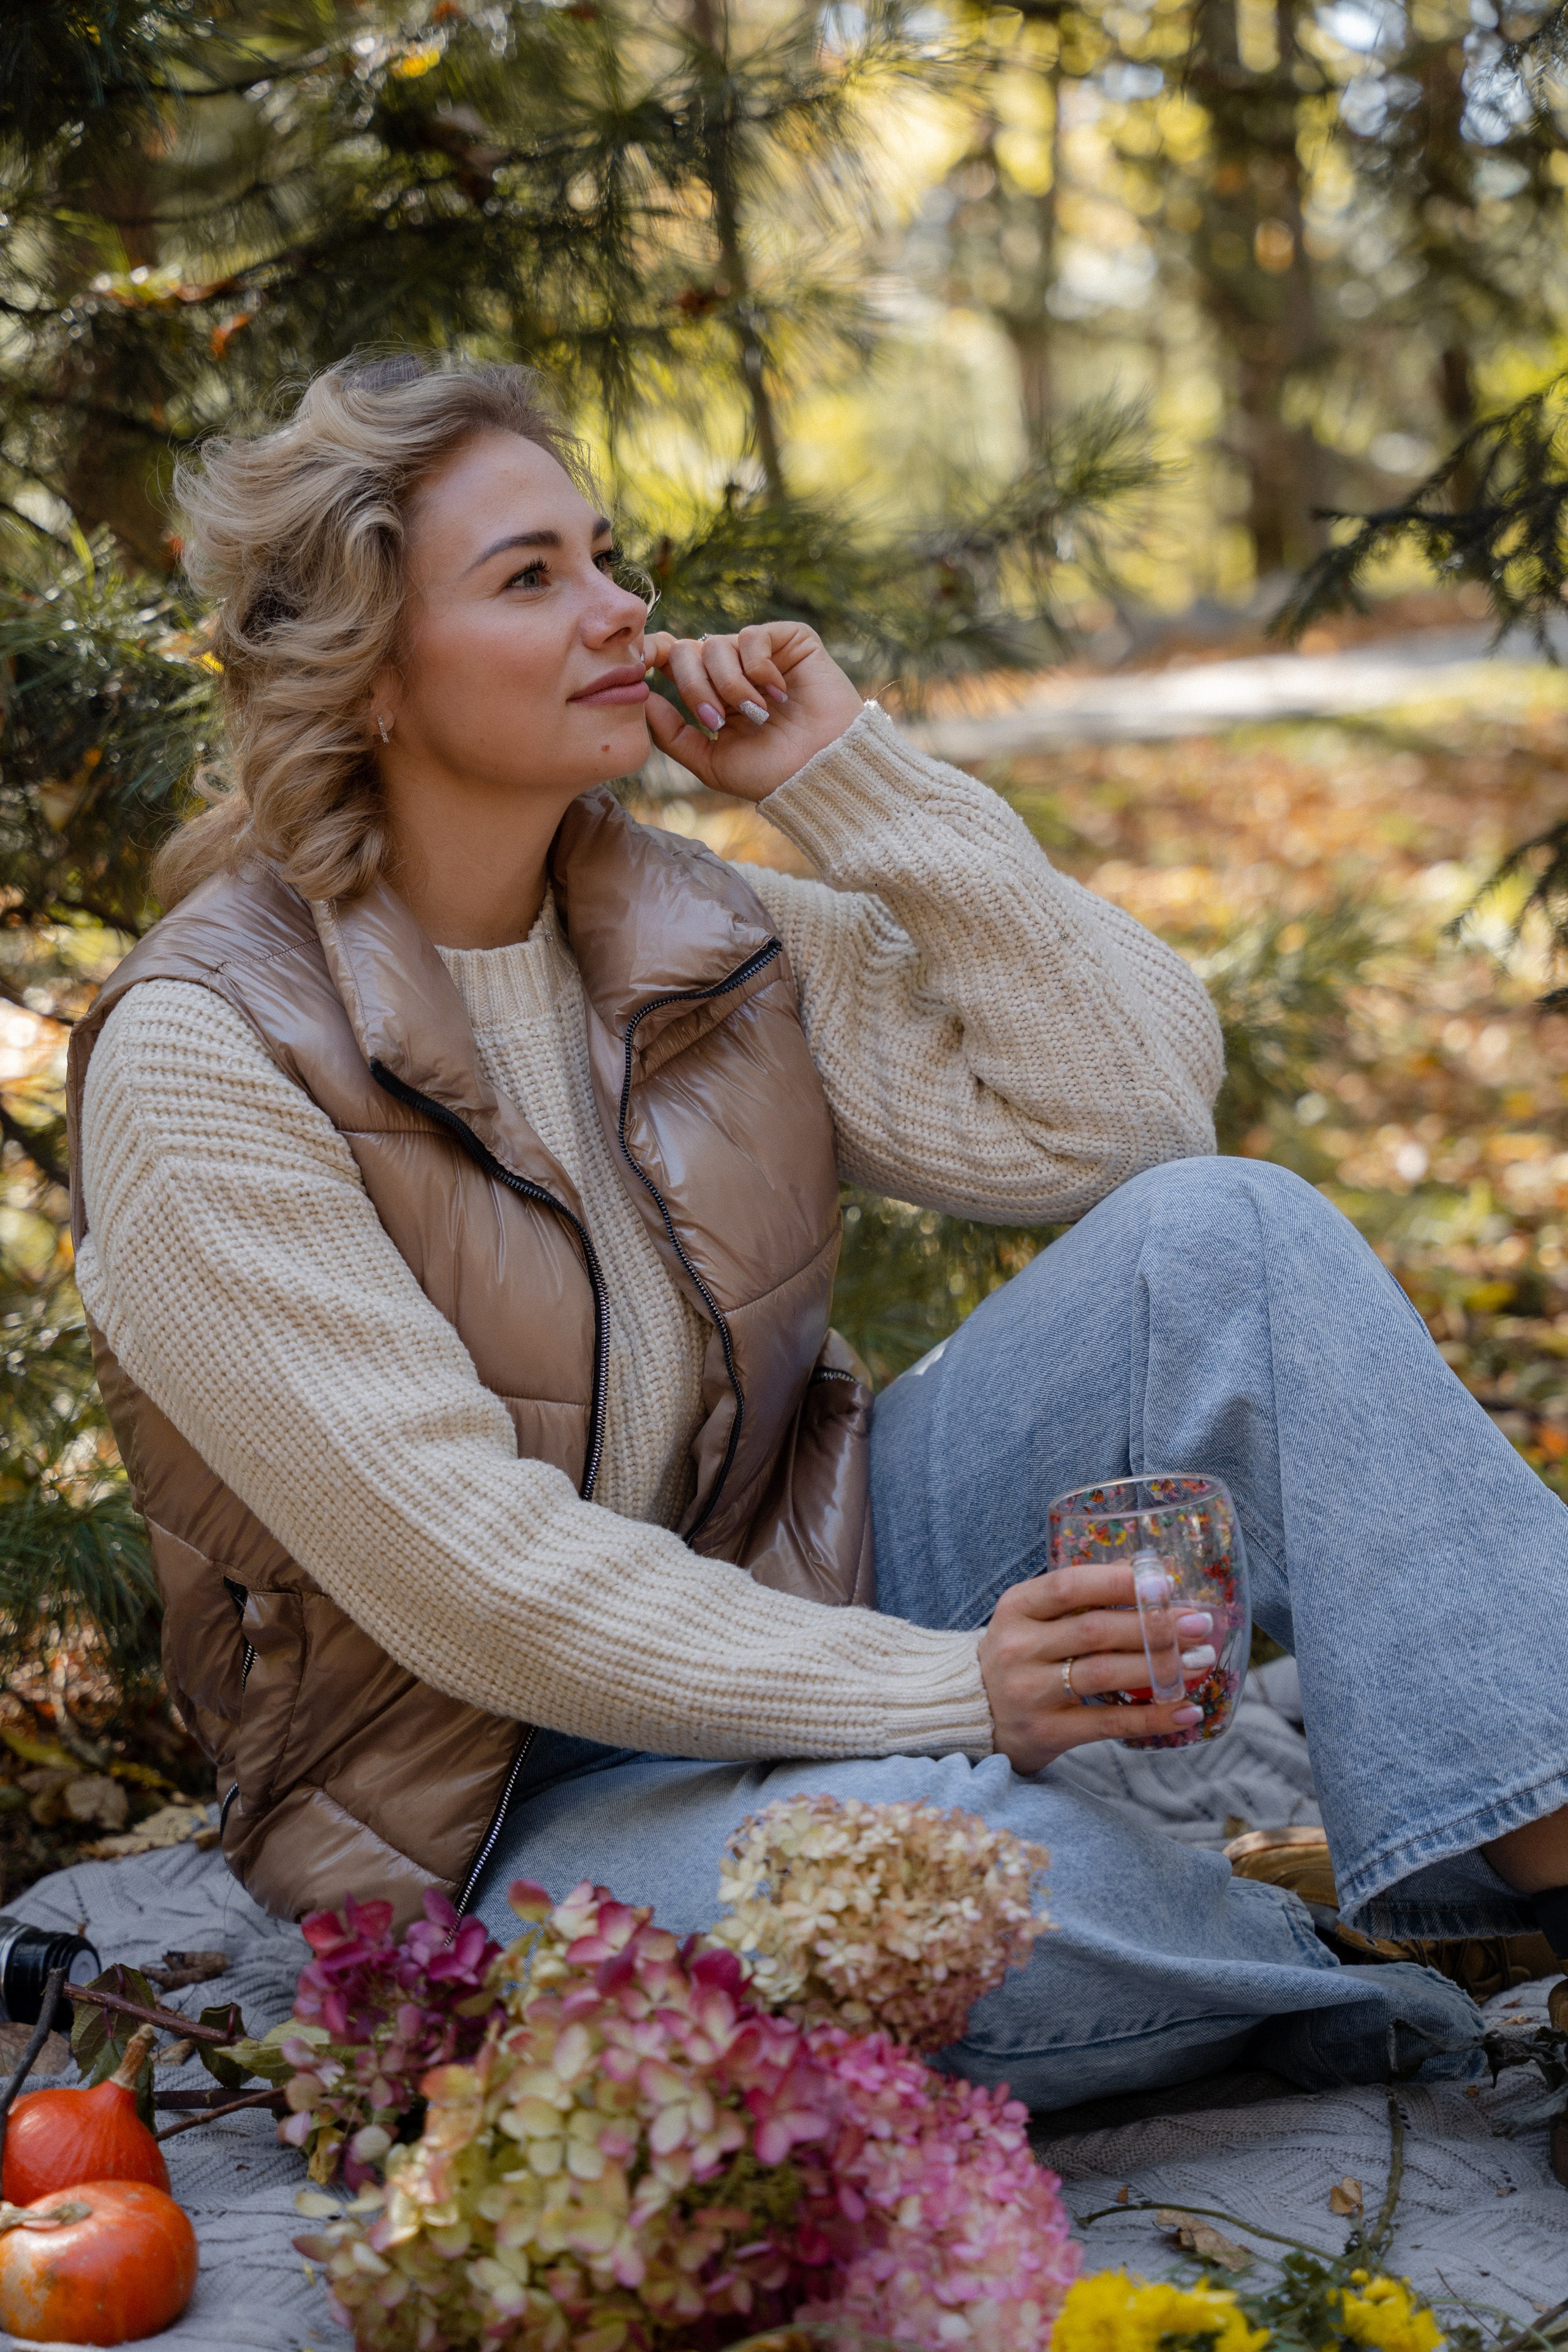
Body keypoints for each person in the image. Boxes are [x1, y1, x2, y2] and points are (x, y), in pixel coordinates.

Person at [67, 354, 1568, 2114]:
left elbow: (1129, 1115)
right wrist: (954, 1691)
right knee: (961, 1885)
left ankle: (1544, 1866)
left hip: (793, 1572)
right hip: (478, 1806)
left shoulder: (688, 927)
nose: (624, 610)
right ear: (370, 669)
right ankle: (1321, 1951)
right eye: (532, 577)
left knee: (1225, 1242)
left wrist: (852, 778)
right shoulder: (206, 1055)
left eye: (608, 557)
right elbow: (480, 1586)